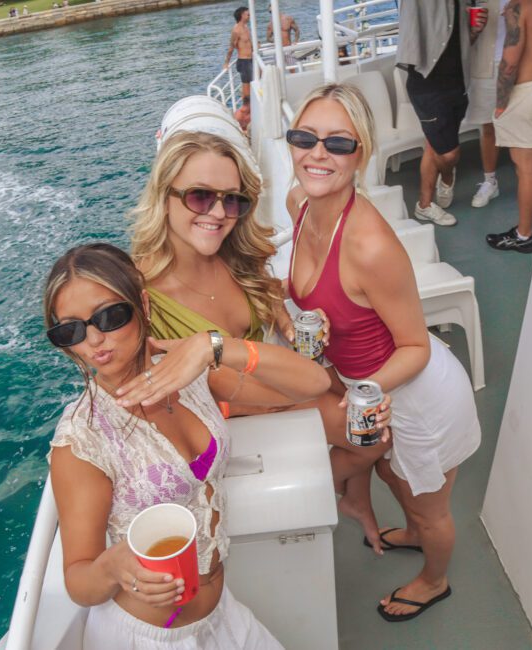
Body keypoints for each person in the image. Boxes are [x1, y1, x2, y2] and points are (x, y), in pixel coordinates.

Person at [43, 242, 333, 648]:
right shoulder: (83, 440)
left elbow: (312, 385)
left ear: (142, 305)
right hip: (146, 638)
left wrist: (212, 346)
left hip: (221, 617)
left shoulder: (189, 375)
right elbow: (78, 579)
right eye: (70, 330)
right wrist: (112, 567)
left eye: (109, 316)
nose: (93, 340)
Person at [130, 130, 394, 554]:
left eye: (232, 200)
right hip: (229, 414)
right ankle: (336, 491)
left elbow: (269, 300)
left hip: (264, 382)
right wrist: (307, 387)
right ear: (164, 196)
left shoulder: (233, 254)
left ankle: (353, 499)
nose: (218, 213)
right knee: (373, 436)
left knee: (359, 416)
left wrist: (292, 329)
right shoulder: (140, 294)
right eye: (200, 196)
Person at [285, 83, 481, 621]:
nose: (316, 153)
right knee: (395, 476)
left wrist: (362, 392)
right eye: (304, 137)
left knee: (430, 503)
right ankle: (414, 532)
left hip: (415, 394)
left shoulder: (371, 246)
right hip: (368, 390)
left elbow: (416, 345)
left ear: (362, 153)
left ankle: (433, 579)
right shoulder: (299, 203)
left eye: (337, 143)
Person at [396, 0, 488, 226]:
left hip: (458, 82)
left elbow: (460, 40)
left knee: (434, 146)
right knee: (448, 155)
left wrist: (474, 30)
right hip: (427, 83)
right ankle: (447, 177)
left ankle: (424, 206)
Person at [486, 0, 532, 253]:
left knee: (526, 168)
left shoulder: (519, 7)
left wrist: (501, 104)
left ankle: (523, 236)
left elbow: (510, 61)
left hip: (527, 92)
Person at [467, 0, 508, 208]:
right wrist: (473, 30)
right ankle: (490, 181)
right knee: (488, 127)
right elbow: (461, 39)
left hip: (521, 67)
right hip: (484, 68)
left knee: (529, 127)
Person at [224, 7, 253, 101]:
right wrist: (226, 63)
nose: (249, 16)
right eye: (248, 14)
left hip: (251, 59)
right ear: (242, 16)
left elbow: (249, 43)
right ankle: (246, 109)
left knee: (254, 84)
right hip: (244, 61)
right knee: (246, 88)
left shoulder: (246, 27)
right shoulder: (236, 30)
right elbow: (231, 47)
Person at [266, 5, 300, 70]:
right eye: (270, 12)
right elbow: (268, 38)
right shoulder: (270, 24)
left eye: (273, 11)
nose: (272, 13)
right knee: (278, 70)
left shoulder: (288, 19)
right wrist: (275, 40)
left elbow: (297, 30)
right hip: (277, 50)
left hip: (288, 48)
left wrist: (295, 41)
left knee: (292, 69)